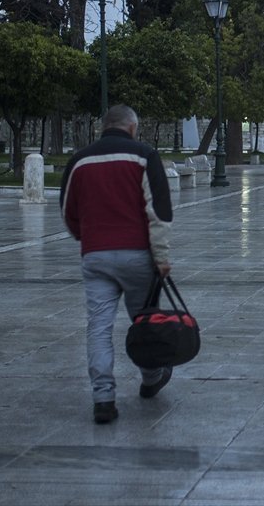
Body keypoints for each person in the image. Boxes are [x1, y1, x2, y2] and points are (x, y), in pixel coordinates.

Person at [60, 105, 174, 424]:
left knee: (98, 326)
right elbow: (160, 211)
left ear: (104, 127)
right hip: (138, 255)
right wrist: (162, 257)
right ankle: (151, 378)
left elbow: (68, 211)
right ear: (133, 128)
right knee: (145, 321)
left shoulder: (80, 161)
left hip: (96, 255)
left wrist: (88, 239)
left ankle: (103, 398)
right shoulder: (144, 156)